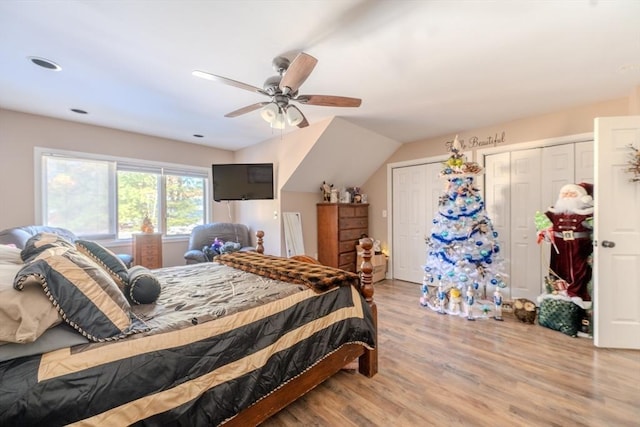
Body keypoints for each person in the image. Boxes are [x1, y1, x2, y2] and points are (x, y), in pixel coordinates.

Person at [544, 183, 594, 301]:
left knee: (579, 271)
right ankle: (559, 294)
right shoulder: (554, 211)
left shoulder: (588, 211)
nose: (568, 196)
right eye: (565, 193)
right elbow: (542, 222)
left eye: (572, 193)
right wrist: (545, 232)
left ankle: (578, 296)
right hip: (559, 245)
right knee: (558, 269)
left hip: (579, 245)